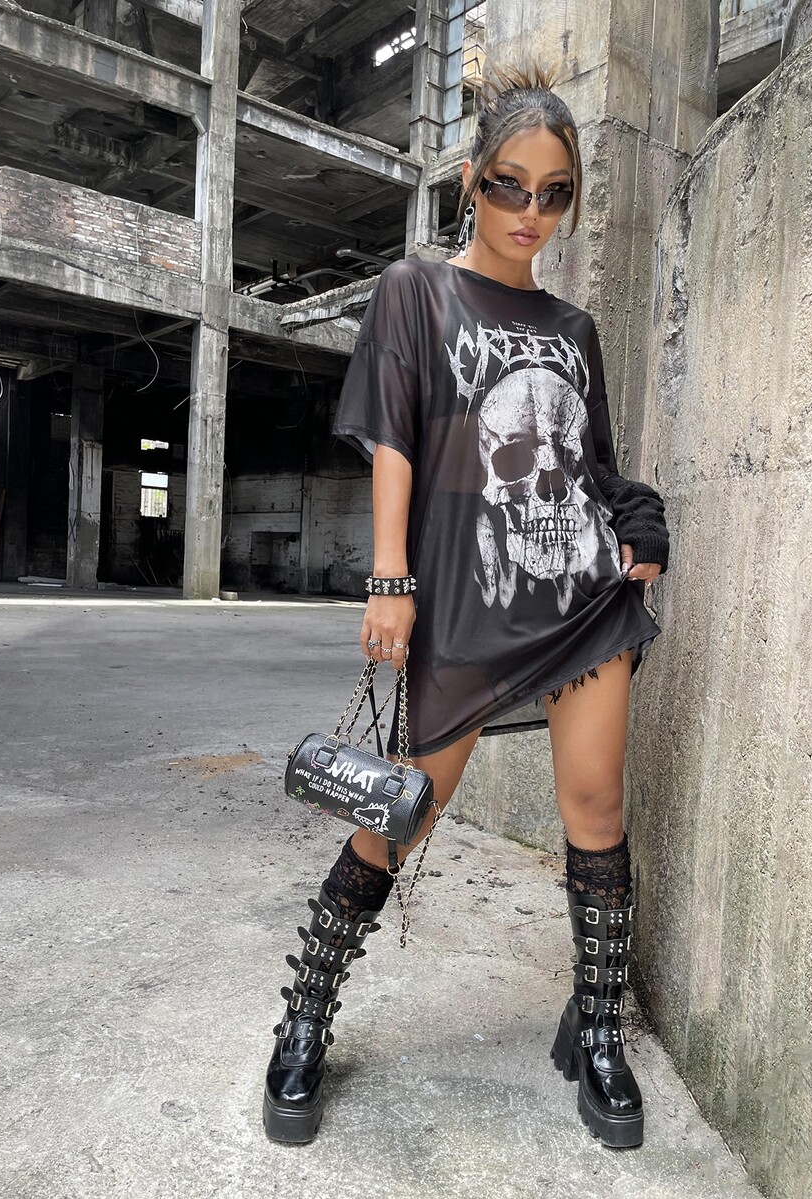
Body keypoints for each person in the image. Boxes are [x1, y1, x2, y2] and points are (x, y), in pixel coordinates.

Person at [262, 62, 670, 1151]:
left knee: (597, 808)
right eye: (509, 185)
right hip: (462, 601)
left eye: (554, 193)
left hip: (581, 602)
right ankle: (305, 1012)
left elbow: (594, 468)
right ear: (471, 180)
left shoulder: (575, 328)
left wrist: (641, 526)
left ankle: (595, 1028)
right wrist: (390, 578)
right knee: (398, 816)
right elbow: (394, 437)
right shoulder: (415, 291)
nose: (531, 212)